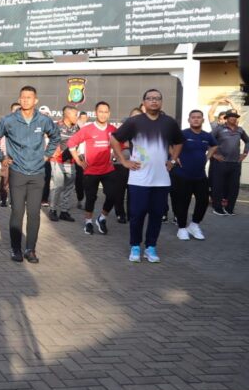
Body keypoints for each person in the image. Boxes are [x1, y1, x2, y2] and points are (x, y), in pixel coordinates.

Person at [111, 89, 183, 263]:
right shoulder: (134, 122)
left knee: (157, 215)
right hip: (139, 179)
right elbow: (114, 139)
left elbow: (179, 141)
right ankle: (135, 246)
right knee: (137, 214)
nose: (154, 101)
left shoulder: (169, 122)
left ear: (161, 102)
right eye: (150, 98)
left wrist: (173, 160)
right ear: (144, 102)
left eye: (157, 98)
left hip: (161, 179)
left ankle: (151, 247)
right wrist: (124, 161)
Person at [0, 86, 60, 264]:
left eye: (29, 97)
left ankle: (30, 250)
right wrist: (2, 157)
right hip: (17, 172)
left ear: (36, 100)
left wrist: (47, 155)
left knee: (34, 213)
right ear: (19, 99)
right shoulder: (9, 120)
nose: (26, 100)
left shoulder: (43, 120)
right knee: (17, 212)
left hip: (37, 173)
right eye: (23, 97)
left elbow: (55, 136)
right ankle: (16, 249)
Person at [67, 101, 118, 236]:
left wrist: (117, 155)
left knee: (113, 195)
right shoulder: (87, 129)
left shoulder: (113, 129)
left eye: (105, 112)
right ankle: (88, 222)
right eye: (100, 111)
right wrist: (78, 160)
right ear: (96, 113)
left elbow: (121, 145)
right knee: (91, 198)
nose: (103, 114)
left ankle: (102, 218)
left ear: (109, 113)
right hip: (91, 171)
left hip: (108, 169)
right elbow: (71, 143)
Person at [171, 110, 218, 240]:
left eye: (198, 117)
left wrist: (207, 157)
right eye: (193, 117)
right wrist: (175, 157)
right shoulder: (182, 134)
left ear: (203, 120)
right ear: (189, 120)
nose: (196, 119)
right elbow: (169, 144)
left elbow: (214, 146)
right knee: (183, 202)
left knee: (203, 201)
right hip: (182, 175)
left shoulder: (206, 136)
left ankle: (194, 225)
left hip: (200, 175)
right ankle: (181, 228)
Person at [210, 110, 248, 216]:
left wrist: (245, 153)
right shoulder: (219, 129)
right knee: (218, 186)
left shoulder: (240, 130)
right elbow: (208, 140)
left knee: (234, 187)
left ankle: (229, 209)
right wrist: (214, 155)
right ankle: (217, 208)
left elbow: (247, 141)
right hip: (221, 163)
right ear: (226, 118)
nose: (233, 118)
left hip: (235, 163)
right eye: (231, 116)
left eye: (235, 116)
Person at [48, 106, 79, 223]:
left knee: (69, 187)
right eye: (75, 115)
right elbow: (52, 142)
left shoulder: (77, 127)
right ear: (67, 115)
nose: (77, 117)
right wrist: (57, 154)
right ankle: (53, 210)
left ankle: (64, 211)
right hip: (57, 160)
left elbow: (78, 142)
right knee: (58, 185)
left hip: (71, 161)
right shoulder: (56, 126)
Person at [0, 102, 20, 207]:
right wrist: (1, 155)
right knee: (5, 178)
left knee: (17, 179)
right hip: (7, 154)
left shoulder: (25, 123)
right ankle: (3, 199)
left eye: (19, 109)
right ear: (11, 110)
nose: (17, 111)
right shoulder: (4, 122)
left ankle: (14, 200)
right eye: (15, 109)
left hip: (19, 156)